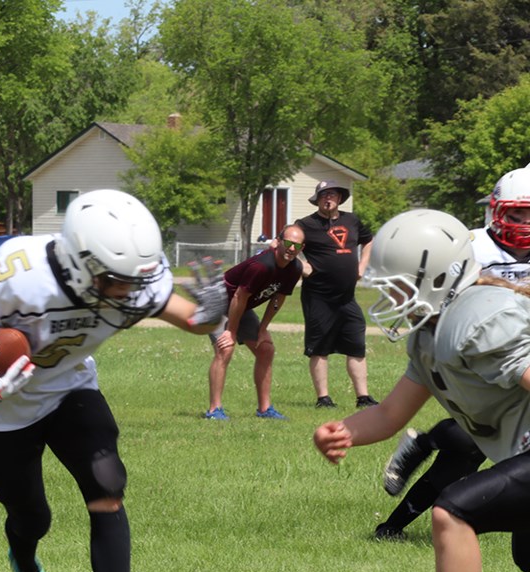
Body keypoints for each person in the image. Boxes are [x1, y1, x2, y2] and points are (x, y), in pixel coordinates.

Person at [0, 189, 227, 572]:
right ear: (78, 263)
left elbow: (191, 319)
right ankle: (25, 564)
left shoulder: (131, 279)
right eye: (117, 280)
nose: (130, 292)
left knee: (108, 484)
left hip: (70, 386)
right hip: (5, 409)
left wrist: (216, 308)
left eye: (134, 280)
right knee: (32, 519)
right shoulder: (18, 277)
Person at [313, 208, 530, 572]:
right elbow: (390, 414)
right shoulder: (431, 335)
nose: (390, 301)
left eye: (397, 287)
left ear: (437, 277)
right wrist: (344, 432)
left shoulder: (478, 317)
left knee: (454, 510)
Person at [373, 165, 530, 540]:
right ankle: (396, 523)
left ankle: (421, 452)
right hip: (475, 359)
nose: (525, 223)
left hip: (511, 362)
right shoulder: (471, 246)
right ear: (496, 210)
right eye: (518, 213)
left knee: (467, 448)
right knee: (468, 442)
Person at [203, 224, 305, 420]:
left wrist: (263, 328)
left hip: (240, 306)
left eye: (297, 246)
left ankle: (265, 409)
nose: (292, 249)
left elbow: (279, 297)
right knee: (225, 348)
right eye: (288, 243)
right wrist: (231, 332)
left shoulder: (295, 269)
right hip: (217, 301)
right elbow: (239, 296)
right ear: (278, 242)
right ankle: (214, 410)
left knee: (266, 349)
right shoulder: (262, 265)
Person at [295, 180, 377, 409]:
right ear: (317, 199)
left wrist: (362, 266)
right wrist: (302, 264)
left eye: (332, 194)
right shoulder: (305, 224)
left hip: (347, 298)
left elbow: (368, 240)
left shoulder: (352, 220)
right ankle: (323, 398)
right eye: (323, 195)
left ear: (339, 198)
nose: (328, 198)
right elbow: (283, 244)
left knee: (356, 345)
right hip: (318, 297)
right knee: (320, 347)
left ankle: (363, 397)